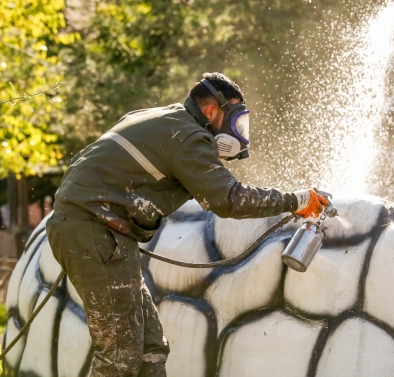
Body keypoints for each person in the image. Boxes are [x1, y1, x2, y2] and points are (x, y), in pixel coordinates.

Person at [46, 72, 331, 377]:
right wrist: (298, 200)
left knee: (151, 349)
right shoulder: (188, 136)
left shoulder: (162, 118)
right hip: (93, 230)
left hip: (91, 228)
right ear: (211, 111)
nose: (238, 133)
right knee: (119, 356)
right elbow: (229, 199)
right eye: (235, 120)